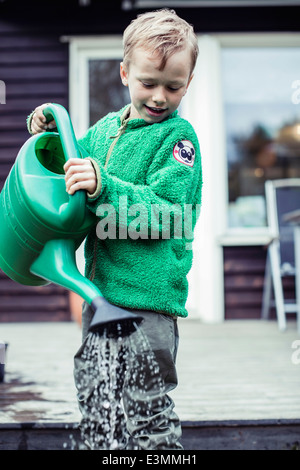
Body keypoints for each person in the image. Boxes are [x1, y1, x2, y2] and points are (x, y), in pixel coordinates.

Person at [27, 9, 202, 450]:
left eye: (173, 86)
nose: (160, 96)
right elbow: (67, 164)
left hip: (147, 306)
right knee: (96, 399)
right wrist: (49, 135)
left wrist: (102, 184)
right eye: (148, 83)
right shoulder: (106, 130)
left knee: (147, 409)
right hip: (99, 298)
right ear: (125, 73)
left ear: (188, 83)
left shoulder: (178, 142)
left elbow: (166, 214)